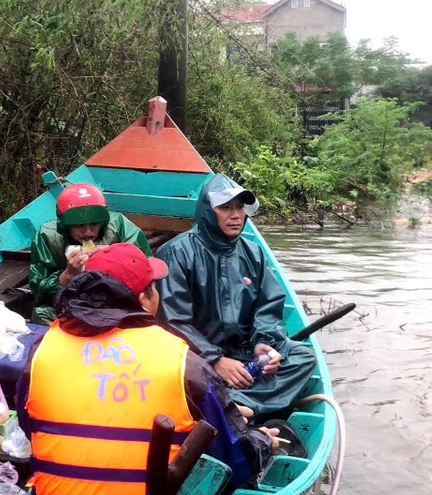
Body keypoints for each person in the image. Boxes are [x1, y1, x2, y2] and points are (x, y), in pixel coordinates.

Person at [17, 243, 279, 493]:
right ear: (144, 299)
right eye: (155, 288)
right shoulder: (182, 362)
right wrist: (262, 441)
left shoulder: (41, 350)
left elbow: (30, 427)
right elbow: (235, 460)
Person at [155, 174, 316, 417]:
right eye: (225, 207)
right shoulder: (177, 252)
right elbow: (172, 321)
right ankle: (235, 404)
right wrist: (215, 360)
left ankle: (236, 404)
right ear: (209, 211)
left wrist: (264, 343)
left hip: (243, 352)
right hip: (196, 355)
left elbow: (268, 309)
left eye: (240, 207)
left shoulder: (253, 254)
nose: (236, 215)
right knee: (175, 371)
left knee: (303, 357)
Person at [29, 182, 152, 323]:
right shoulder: (47, 236)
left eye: (94, 224)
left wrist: (116, 255)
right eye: (79, 226)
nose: (88, 232)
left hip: (120, 300)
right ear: (65, 225)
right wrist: (67, 275)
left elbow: (148, 271)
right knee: (41, 313)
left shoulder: (119, 225)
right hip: (77, 304)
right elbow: (39, 292)